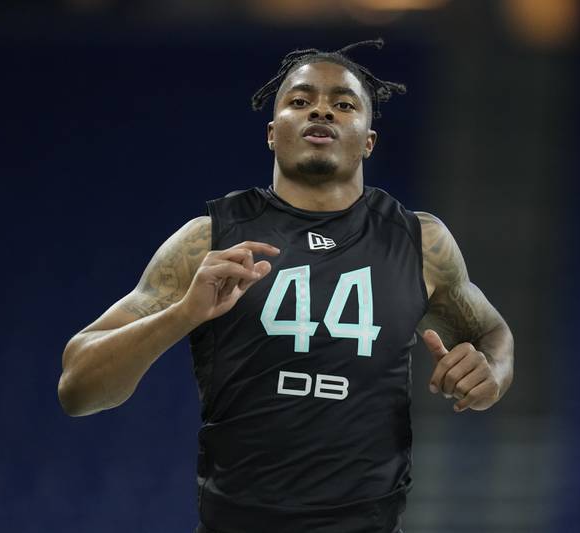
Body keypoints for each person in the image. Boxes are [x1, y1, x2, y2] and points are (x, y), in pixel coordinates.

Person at [57, 38, 514, 533]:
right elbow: (78, 388)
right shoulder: (209, 239)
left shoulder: (420, 241)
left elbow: (494, 337)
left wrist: (491, 374)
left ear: (368, 140)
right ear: (273, 134)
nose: (321, 110)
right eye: (300, 101)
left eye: (343, 103)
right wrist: (183, 314)